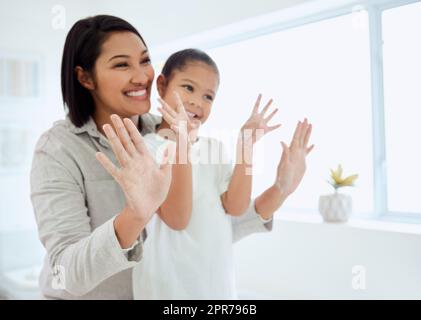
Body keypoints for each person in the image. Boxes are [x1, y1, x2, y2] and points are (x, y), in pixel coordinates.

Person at [30, 15, 281, 300]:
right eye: (122, 64)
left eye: (145, 60)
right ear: (85, 77)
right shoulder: (58, 149)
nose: (141, 77)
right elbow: (65, 272)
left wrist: (280, 188)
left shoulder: (173, 131)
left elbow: (205, 223)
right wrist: (135, 216)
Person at [132, 49, 314, 299]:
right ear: (161, 86)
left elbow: (236, 206)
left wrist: (245, 147)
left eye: (208, 96)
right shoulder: (147, 148)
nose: (197, 102)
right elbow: (177, 218)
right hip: (168, 291)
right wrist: (182, 142)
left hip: (216, 289)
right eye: (188, 88)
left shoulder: (213, 148)